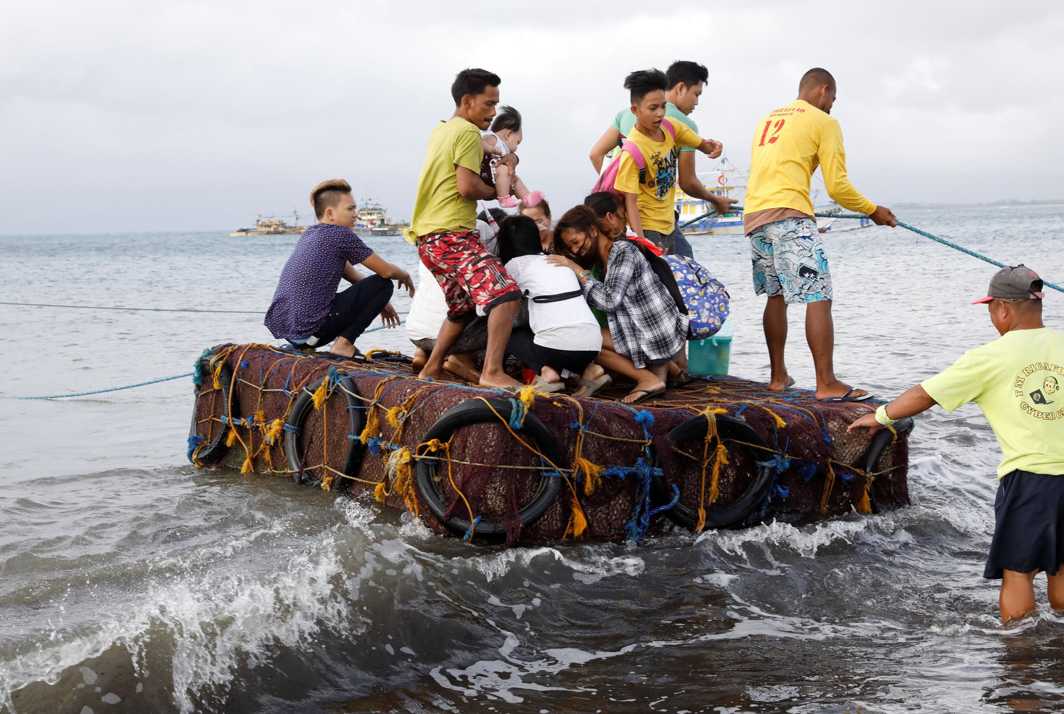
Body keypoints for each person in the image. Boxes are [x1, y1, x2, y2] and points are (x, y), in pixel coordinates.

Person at [848, 266, 1064, 623]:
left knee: (1018, 572)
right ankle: (1053, 657)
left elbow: (925, 394)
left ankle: (1020, 661)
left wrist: (881, 415)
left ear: (1004, 310)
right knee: (1061, 567)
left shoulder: (990, 356)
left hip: (1031, 479)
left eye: (991, 309)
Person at [744, 67, 897, 400]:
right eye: (833, 100)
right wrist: (872, 210)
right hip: (790, 215)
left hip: (755, 216)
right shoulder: (823, 121)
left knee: (776, 295)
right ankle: (827, 383)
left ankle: (777, 376)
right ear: (823, 91)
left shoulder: (769, 118)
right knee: (819, 295)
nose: (832, 107)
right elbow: (837, 186)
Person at [410, 68, 523, 389]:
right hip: (451, 234)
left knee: (460, 309)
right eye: (488, 105)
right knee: (506, 294)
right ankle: (492, 371)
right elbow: (466, 186)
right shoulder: (468, 134)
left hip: (428, 238)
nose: (493, 113)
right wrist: (498, 191)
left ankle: (431, 368)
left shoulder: (442, 130)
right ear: (467, 101)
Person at [588, 60, 735, 257]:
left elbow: (595, 154)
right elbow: (686, 182)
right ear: (636, 110)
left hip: (664, 222)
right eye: (696, 94)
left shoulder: (669, 125)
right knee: (680, 268)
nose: (659, 114)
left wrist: (711, 146)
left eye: (663, 107)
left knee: (679, 272)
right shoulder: (635, 150)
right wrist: (641, 243)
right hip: (646, 225)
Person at [550, 205, 688, 404]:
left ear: (592, 230)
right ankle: (667, 369)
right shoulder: (604, 258)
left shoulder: (622, 252)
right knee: (590, 335)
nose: (575, 249)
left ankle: (648, 380)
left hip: (657, 334)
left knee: (585, 340)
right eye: (570, 247)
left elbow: (609, 300)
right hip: (649, 330)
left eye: (576, 242)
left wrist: (577, 270)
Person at [264, 179, 413, 358]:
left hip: (292, 334)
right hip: (311, 332)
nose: (355, 214)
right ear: (330, 213)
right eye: (350, 209)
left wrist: (380, 303)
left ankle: (310, 347)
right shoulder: (340, 234)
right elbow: (386, 272)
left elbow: (354, 277)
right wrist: (405, 275)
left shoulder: (310, 234)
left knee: (377, 288)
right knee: (384, 284)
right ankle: (344, 344)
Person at [496, 215, 608, 394]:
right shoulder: (557, 260)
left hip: (555, 349)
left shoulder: (513, 266)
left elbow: (503, 308)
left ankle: (547, 372)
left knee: (505, 330)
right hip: (593, 345)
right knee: (559, 329)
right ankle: (591, 371)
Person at [479, 105, 542, 209]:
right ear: (508, 135)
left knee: (515, 178)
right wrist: (491, 149)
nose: (516, 148)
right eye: (517, 142)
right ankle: (503, 198)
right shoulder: (493, 138)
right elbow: (479, 142)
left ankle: (527, 198)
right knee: (504, 170)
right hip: (485, 172)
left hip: (494, 175)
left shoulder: (505, 149)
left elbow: (513, 158)